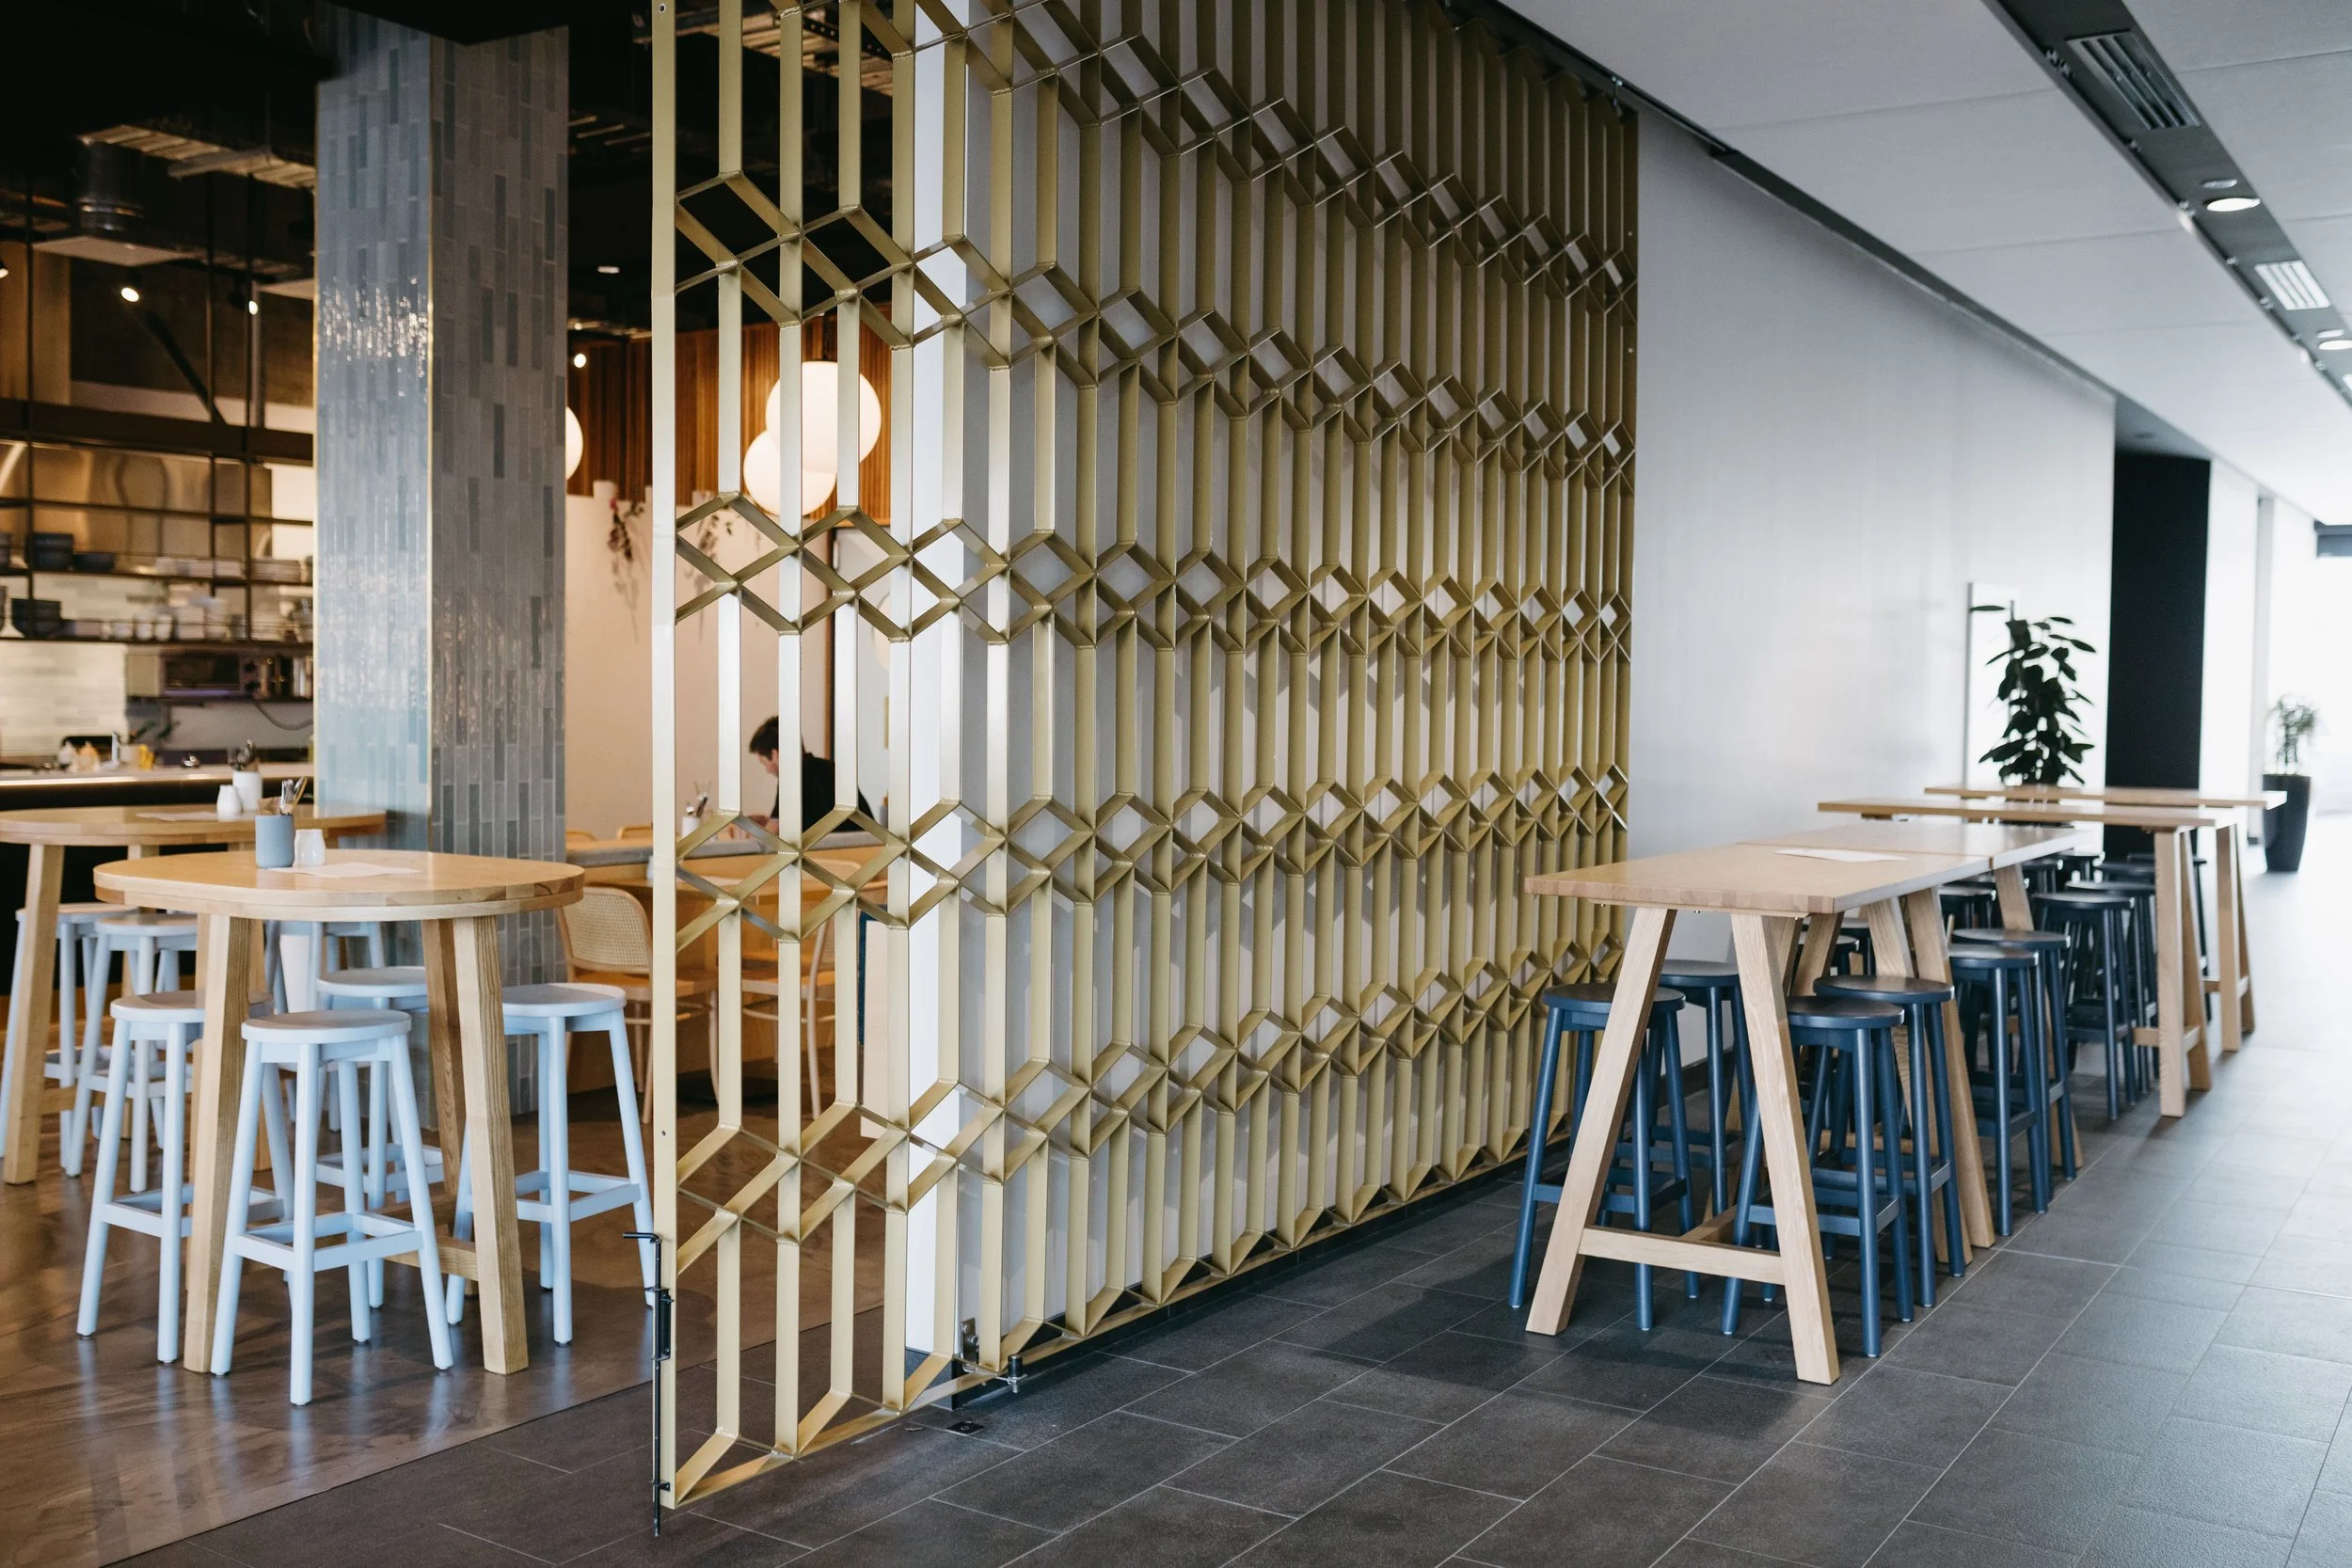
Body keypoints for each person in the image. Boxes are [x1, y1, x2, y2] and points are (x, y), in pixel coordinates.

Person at [750, 717, 872, 832]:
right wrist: (770, 820)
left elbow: (772, 835)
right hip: (866, 847)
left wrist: (752, 830)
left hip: (830, 852)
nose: (767, 770)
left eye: (764, 762)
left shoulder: (792, 776)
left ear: (775, 754)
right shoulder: (831, 767)